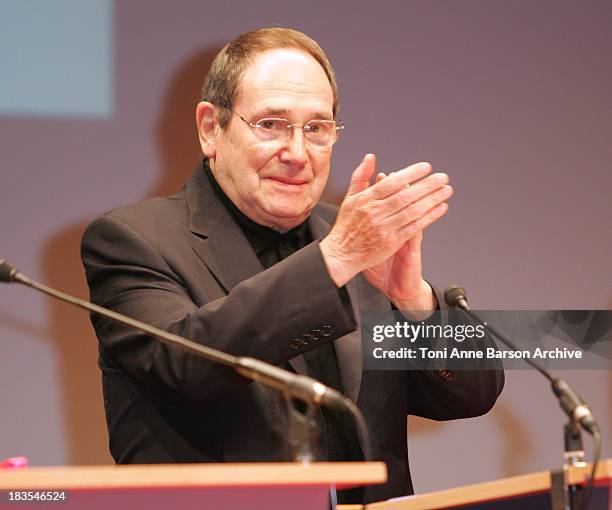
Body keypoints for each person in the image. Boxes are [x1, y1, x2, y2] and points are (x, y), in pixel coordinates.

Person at [81, 27, 504, 504]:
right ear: (210, 128)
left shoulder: (349, 239)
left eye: (317, 128)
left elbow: (471, 395)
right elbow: (187, 363)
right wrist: (336, 259)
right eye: (271, 125)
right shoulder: (133, 240)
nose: (297, 153)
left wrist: (414, 302)